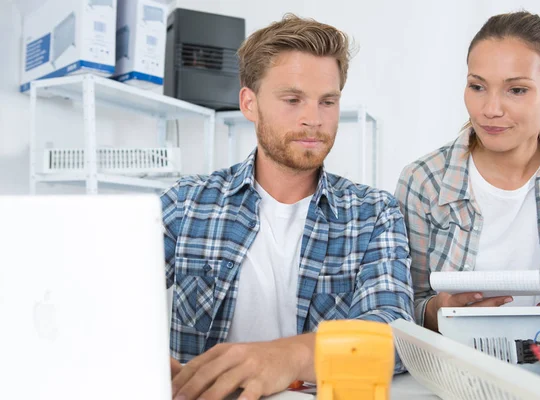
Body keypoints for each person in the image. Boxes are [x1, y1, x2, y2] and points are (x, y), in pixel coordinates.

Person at [162, 14, 414, 400]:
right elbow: (108, 295)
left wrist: (289, 357)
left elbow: (393, 336)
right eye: (293, 99)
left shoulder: (374, 213)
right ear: (250, 103)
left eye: (327, 101)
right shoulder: (185, 204)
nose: (313, 119)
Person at [395, 11, 540, 333]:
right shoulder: (423, 181)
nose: (490, 109)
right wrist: (436, 311)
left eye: (516, 90)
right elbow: (401, 304)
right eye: (477, 86)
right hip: (460, 369)